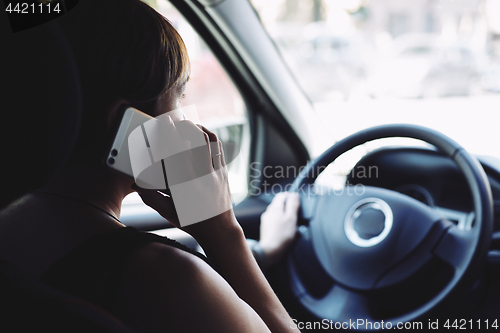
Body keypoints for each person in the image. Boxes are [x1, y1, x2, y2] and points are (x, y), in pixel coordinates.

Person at [0, 0, 300, 332]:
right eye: (178, 101)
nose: (186, 124)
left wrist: (263, 252)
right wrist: (224, 233)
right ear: (125, 126)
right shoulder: (167, 278)